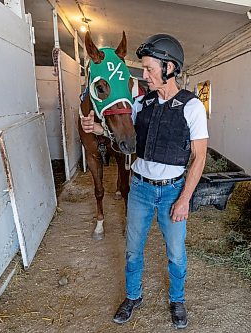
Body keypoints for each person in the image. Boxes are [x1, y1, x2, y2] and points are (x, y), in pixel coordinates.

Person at [81, 34, 208, 329]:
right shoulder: (141, 102)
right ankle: (133, 296)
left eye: (150, 69)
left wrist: (184, 199)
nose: (145, 75)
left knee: (176, 252)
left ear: (170, 68)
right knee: (133, 248)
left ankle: (177, 300)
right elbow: (120, 127)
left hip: (172, 191)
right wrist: (96, 126)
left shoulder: (192, 107)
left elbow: (199, 158)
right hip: (139, 188)